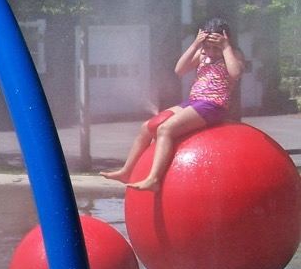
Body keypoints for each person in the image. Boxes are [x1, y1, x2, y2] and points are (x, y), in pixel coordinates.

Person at [101, 17, 246, 191]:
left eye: (216, 47)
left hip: (214, 105)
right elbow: (180, 70)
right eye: (207, 47)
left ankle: (154, 179)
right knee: (147, 127)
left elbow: (236, 73)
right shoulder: (202, 54)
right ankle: (126, 171)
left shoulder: (233, 54)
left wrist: (226, 47)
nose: (211, 52)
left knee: (165, 129)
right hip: (195, 103)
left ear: (225, 40)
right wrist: (195, 46)